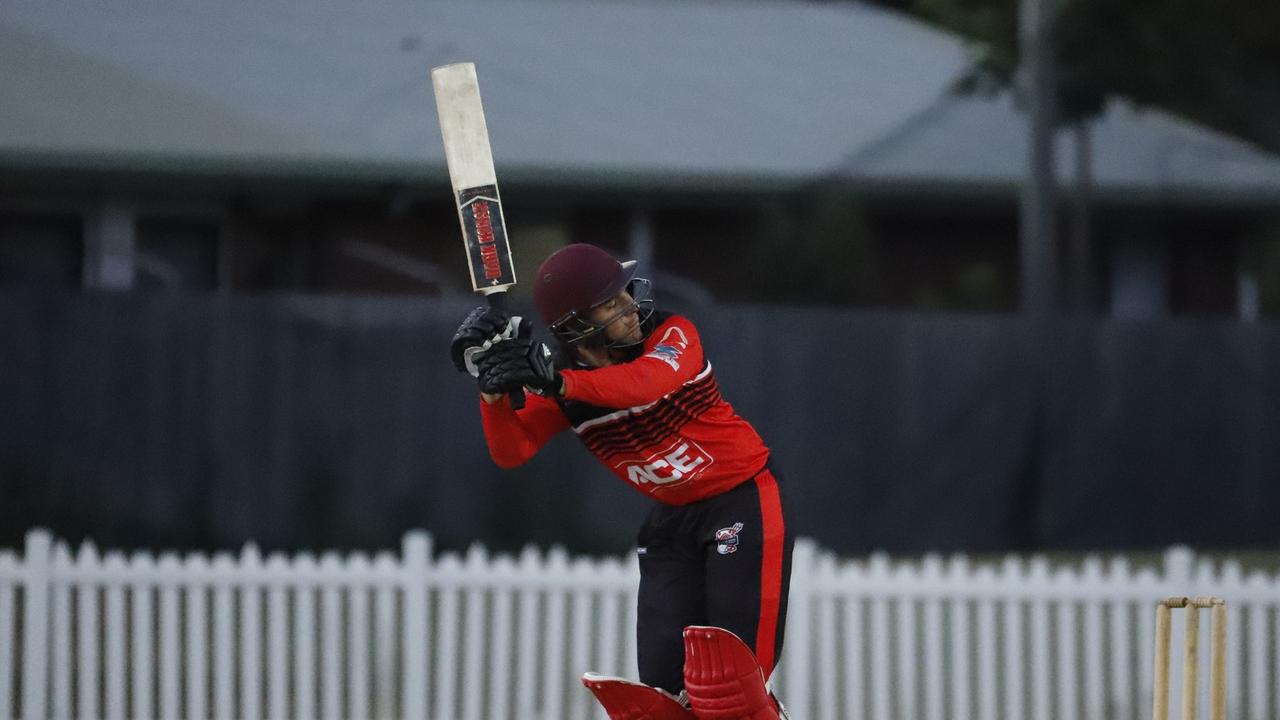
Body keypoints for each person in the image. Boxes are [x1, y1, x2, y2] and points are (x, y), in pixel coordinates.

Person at [450, 243, 793, 720]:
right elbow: (513, 450)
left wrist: (555, 382)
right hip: (673, 526)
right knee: (664, 698)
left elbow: (644, 384)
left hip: (742, 502)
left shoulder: (672, 333)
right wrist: (492, 393)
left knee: (729, 690)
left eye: (624, 294)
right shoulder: (563, 381)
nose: (630, 307)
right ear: (575, 325)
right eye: (611, 303)